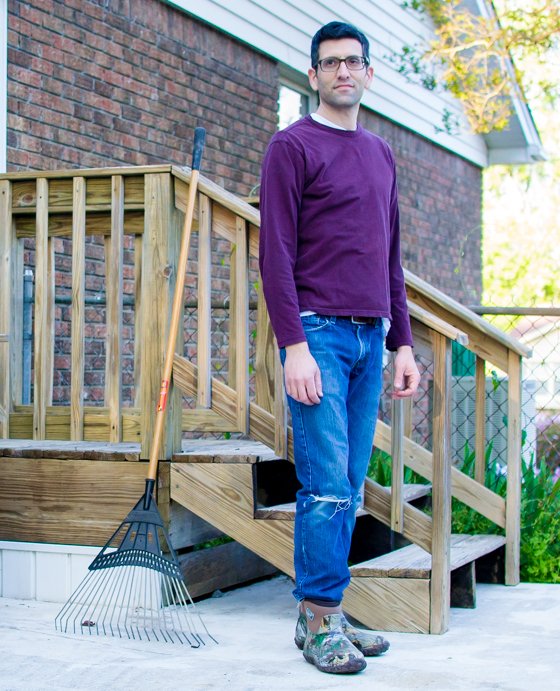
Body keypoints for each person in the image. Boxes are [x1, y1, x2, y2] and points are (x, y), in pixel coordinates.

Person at [259, 21, 421, 675]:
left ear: (369, 73)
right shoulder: (292, 146)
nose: (343, 71)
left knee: (349, 485)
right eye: (331, 63)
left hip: (370, 335)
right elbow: (275, 254)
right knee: (325, 482)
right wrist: (294, 346)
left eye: (353, 61)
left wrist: (402, 343)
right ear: (314, 75)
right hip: (319, 333)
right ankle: (323, 616)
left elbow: (390, 257)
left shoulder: (381, 154)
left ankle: (321, 614)